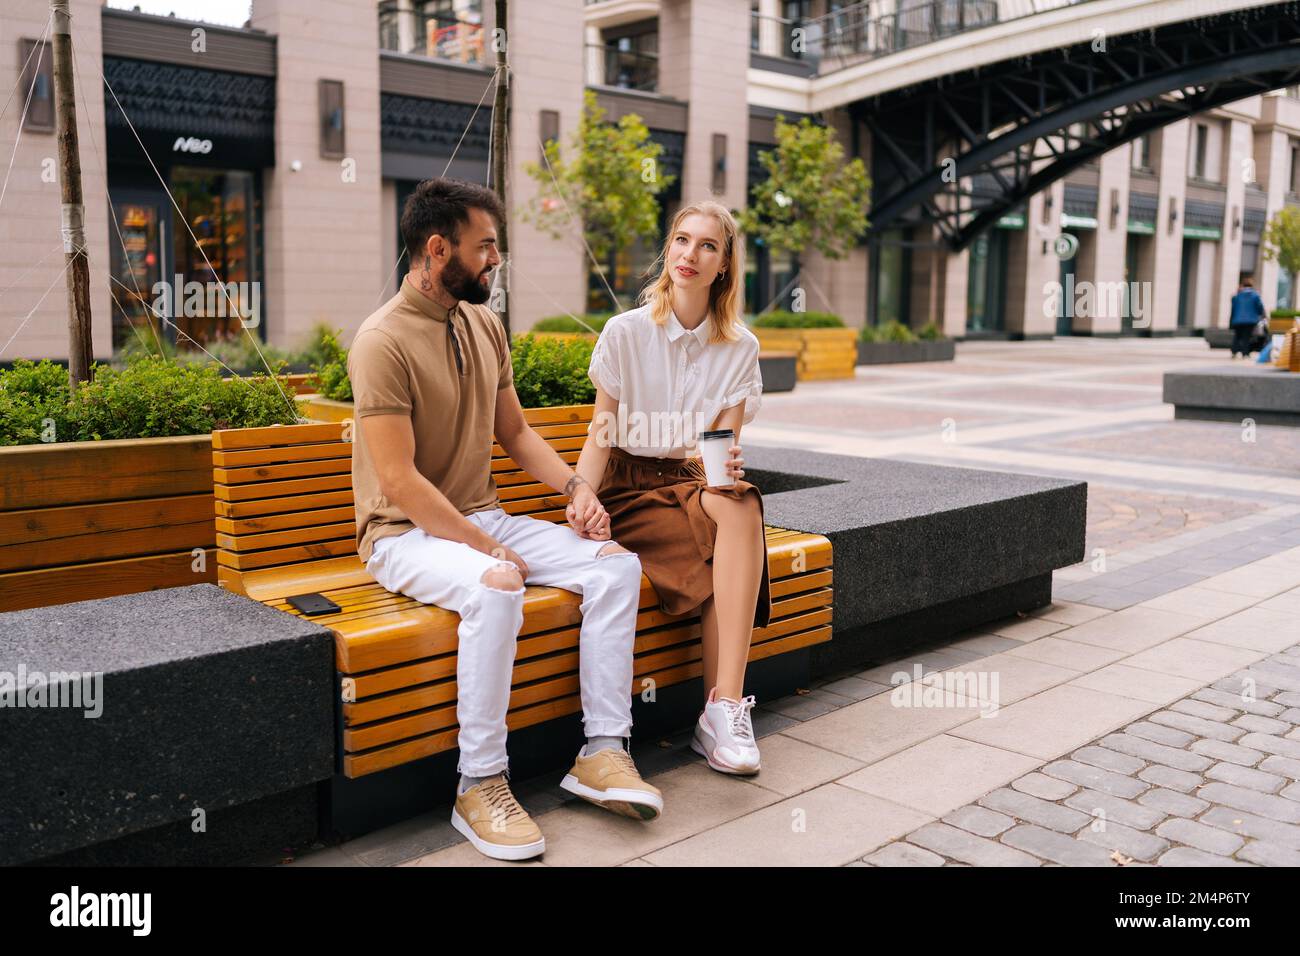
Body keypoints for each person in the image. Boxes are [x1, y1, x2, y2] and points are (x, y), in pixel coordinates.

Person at [348, 178, 662, 862]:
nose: (496, 260)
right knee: (497, 584)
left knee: (616, 566)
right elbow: (399, 481)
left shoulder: (483, 323)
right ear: (438, 249)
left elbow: (515, 433)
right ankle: (479, 782)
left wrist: (577, 487)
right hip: (401, 535)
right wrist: (489, 545)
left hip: (481, 518)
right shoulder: (381, 342)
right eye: (484, 247)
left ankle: (603, 752)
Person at [574, 199, 772, 777]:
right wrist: (581, 494)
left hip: (692, 484)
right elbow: (601, 435)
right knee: (727, 544)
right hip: (629, 489)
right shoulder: (625, 333)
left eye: (707, 246)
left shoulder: (741, 346)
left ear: (724, 265)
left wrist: (726, 477)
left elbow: (719, 453)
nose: (690, 254)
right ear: (669, 251)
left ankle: (724, 708)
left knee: (740, 506)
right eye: (682, 240)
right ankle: (720, 717)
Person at [1228, 277, 1266, 358]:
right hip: (1250, 320)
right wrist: (1261, 315)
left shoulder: (1237, 295)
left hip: (1237, 319)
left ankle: (1234, 352)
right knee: (1247, 337)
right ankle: (1245, 353)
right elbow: (1260, 307)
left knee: (1237, 336)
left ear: (1243, 285)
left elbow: (1233, 307)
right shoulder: (1255, 295)